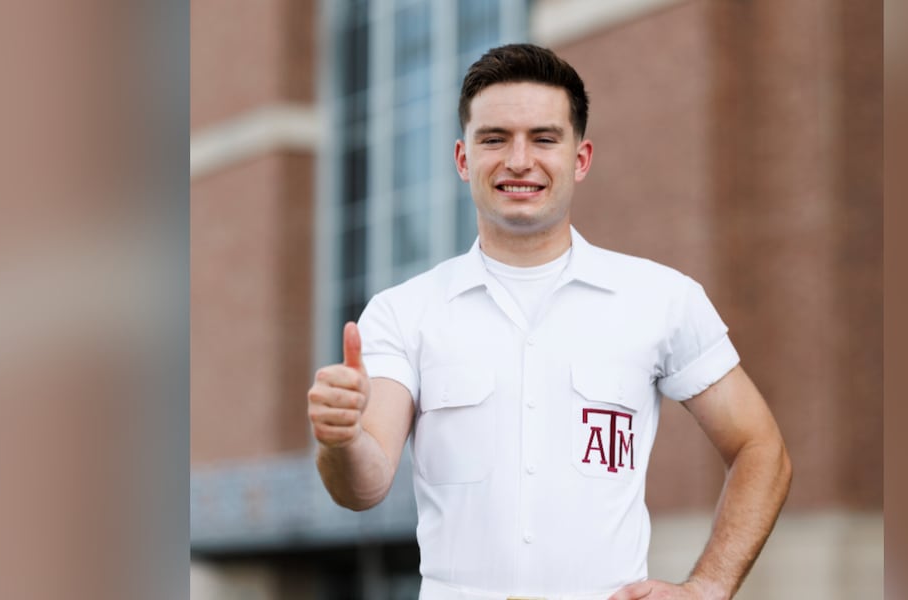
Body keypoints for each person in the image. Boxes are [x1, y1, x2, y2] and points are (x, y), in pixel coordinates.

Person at [307, 43, 792, 600]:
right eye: (494, 139)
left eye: (543, 138)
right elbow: (363, 487)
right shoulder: (404, 311)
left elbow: (761, 448)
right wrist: (338, 440)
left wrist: (708, 587)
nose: (519, 161)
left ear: (580, 159)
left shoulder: (662, 299)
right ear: (463, 159)